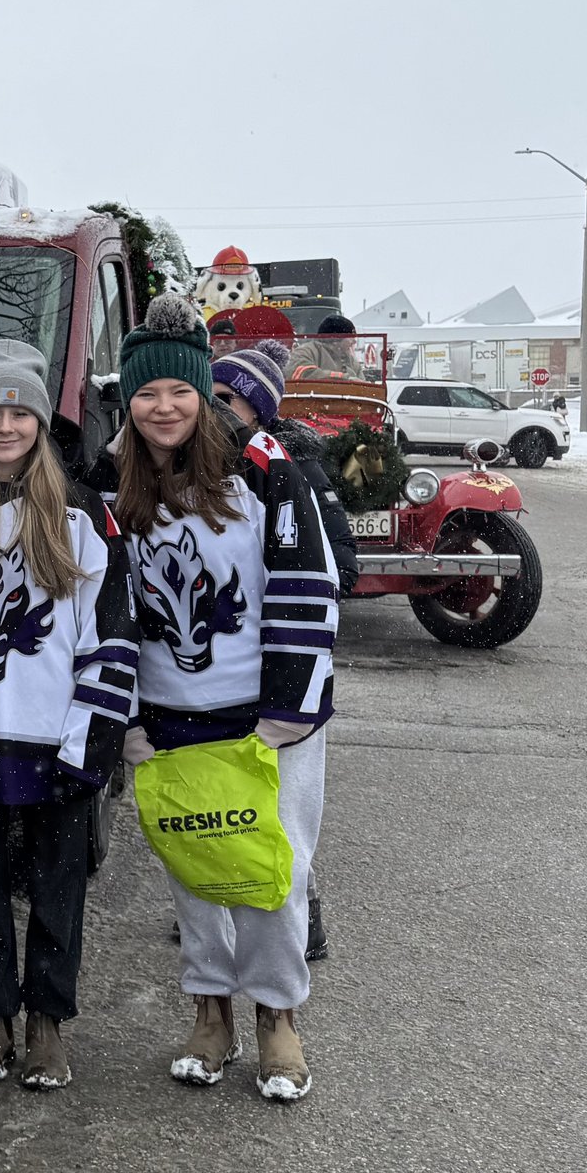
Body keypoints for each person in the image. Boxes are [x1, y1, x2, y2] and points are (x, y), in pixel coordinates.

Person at [97, 294, 339, 1102]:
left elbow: (308, 588)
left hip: (265, 717)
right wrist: (126, 714)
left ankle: (278, 1016)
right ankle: (209, 1009)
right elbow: (106, 609)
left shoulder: (264, 472)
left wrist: (288, 713)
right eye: (145, 393)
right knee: (195, 866)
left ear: (202, 393)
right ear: (127, 400)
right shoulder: (113, 484)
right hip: (169, 716)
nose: (162, 407)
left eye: (178, 391)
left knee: (273, 871)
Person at [0, 342, 138, 1090]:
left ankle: (47, 1021)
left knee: (57, 885)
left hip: (55, 735)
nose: (6, 425)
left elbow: (111, 632)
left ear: (41, 422)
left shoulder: (83, 515)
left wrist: (93, 738)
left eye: (20, 411)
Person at [211, 340, 354, 965]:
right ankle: (220, 901)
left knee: (284, 805)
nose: (212, 412)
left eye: (226, 401)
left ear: (257, 412)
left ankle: (304, 909)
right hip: (227, 674)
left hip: (289, 668)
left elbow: (338, 568)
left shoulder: (295, 473)